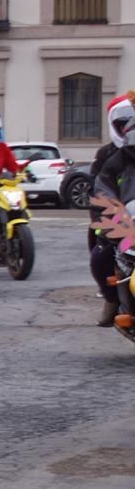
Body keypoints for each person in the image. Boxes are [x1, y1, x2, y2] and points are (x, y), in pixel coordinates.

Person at [90, 92, 135, 326]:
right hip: (121, 222)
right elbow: (100, 189)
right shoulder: (110, 158)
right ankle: (111, 299)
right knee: (100, 255)